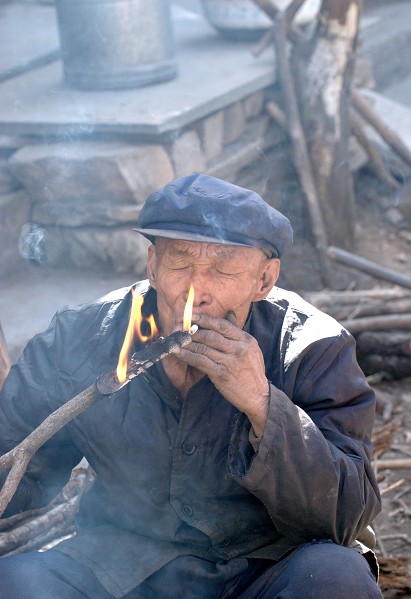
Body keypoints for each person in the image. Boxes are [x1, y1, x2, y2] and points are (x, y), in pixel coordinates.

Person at [0, 173, 382, 598]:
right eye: (180, 262)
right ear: (152, 265)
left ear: (264, 280)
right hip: (117, 571)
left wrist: (262, 404)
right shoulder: (81, 337)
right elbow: (15, 461)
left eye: (223, 268)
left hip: (262, 570)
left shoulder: (312, 349)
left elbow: (347, 515)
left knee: (337, 578)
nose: (195, 292)